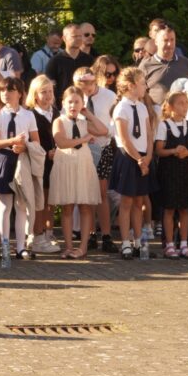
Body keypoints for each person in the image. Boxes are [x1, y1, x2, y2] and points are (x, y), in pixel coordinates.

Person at [49, 87, 106, 259]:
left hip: (83, 164)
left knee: (85, 206)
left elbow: (103, 130)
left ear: (82, 104)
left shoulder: (84, 122)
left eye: (77, 102)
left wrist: (89, 115)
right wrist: (84, 139)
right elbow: (62, 142)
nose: (73, 105)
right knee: (67, 207)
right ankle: (68, 246)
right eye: (70, 102)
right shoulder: (59, 121)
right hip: (66, 164)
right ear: (63, 103)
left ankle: (83, 247)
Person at [0, 77, 38, 261]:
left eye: (10, 90)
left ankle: (21, 247)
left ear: (20, 93)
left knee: (21, 205)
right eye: (2, 91)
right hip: (4, 159)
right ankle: (5, 246)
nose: (6, 94)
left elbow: (36, 141)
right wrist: (12, 141)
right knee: (5, 204)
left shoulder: (28, 115)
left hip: (22, 160)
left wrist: (24, 147)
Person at [110, 67, 153, 259]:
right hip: (128, 157)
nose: (146, 87)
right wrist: (138, 159)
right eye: (142, 83)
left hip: (143, 156)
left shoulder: (142, 107)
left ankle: (138, 242)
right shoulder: (121, 108)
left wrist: (148, 157)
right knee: (126, 201)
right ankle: (125, 242)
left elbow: (149, 134)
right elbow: (125, 138)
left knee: (139, 200)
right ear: (130, 86)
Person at [76, 63, 118, 253]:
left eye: (90, 82)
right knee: (87, 193)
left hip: (104, 145)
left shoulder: (109, 96)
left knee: (101, 192)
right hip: (83, 147)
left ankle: (106, 235)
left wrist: (102, 131)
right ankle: (90, 233)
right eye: (82, 83)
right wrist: (89, 131)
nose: (87, 87)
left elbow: (113, 124)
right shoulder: (75, 97)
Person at [155, 91, 188, 259]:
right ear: (171, 107)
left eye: (186, 102)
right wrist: (174, 150)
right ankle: (169, 244)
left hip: (186, 170)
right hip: (169, 171)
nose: (185, 106)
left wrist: (186, 153)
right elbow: (159, 150)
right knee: (169, 208)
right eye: (181, 103)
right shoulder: (163, 126)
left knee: (184, 208)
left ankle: (184, 244)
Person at [25, 75, 58, 253]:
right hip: (38, 163)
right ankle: (36, 235)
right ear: (35, 95)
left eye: (50, 91)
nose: (47, 95)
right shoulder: (30, 114)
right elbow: (30, 140)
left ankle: (48, 232)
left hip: (56, 163)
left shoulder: (57, 112)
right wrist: (46, 152)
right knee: (40, 200)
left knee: (51, 200)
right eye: (43, 92)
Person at [139, 24, 188, 107]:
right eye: (165, 40)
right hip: (157, 113)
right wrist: (150, 111)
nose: (169, 44)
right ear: (156, 42)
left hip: (184, 113)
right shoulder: (146, 66)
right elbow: (140, 94)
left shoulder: (186, 63)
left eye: (172, 40)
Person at [44, 23, 93, 105]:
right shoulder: (55, 61)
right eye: (74, 36)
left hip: (85, 104)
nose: (78, 39)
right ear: (64, 38)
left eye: (80, 36)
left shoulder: (89, 60)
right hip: (63, 106)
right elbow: (49, 87)